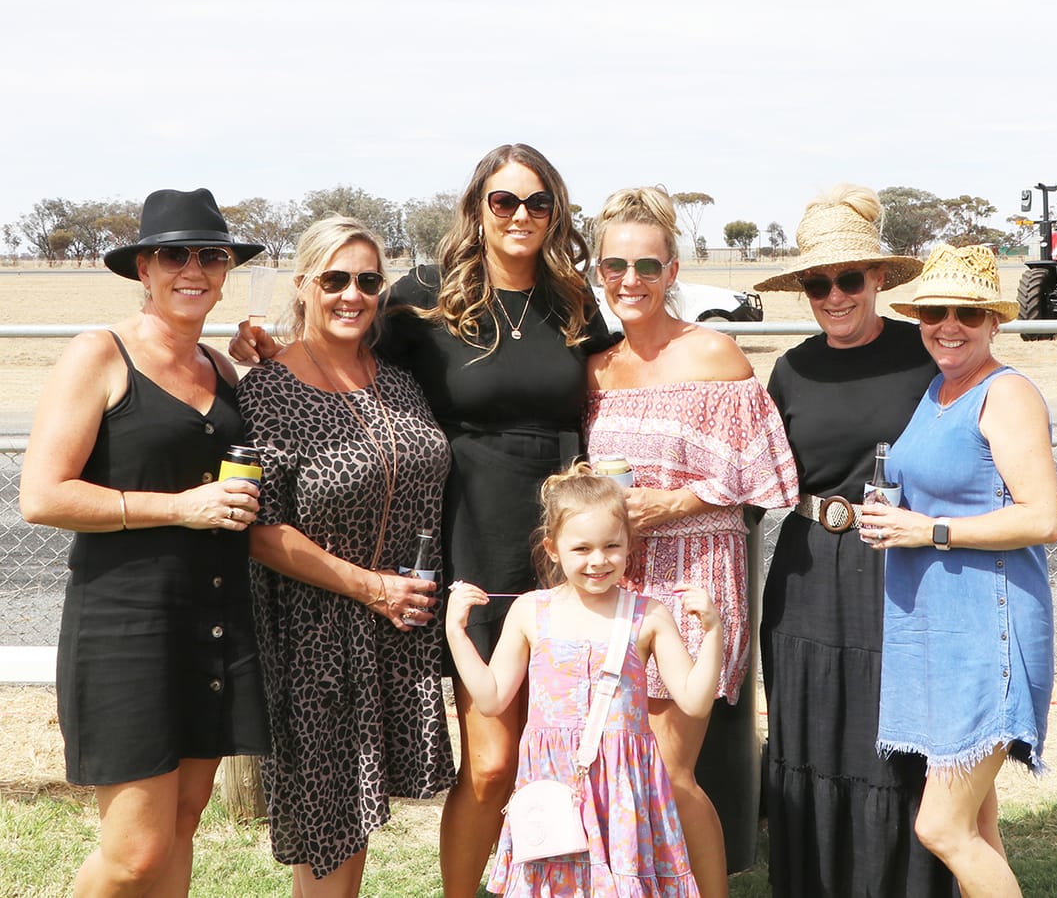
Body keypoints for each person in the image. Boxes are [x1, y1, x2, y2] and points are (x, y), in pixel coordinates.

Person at [235, 142, 611, 897]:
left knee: (563, 743)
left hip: (566, 547)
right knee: (493, 759)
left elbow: (610, 388)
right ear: (477, 208)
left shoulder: (573, 297)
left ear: (556, 212)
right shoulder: (425, 297)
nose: (521, 216)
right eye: (504, 201)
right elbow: (344, 354)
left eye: (538, 203)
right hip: (472, 536)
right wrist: (278, 352)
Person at [18, 187, 271, 897]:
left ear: (225, 272)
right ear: (143, 269)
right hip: (126, 621)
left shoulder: (222, 369)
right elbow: (42, 494)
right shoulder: (99, 353)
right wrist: (180, 507)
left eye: (211, 255)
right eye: (173, 254)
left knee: (183, 822)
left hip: (214, 620)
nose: (193, 268)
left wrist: (268, 361)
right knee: (134, 850)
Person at [583, 186, 799, 898]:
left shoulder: (714, 352)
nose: (630, 281)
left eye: (647, 265)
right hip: (615, 587)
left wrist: (670, 502)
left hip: (695, 579)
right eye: (615, 265)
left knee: (670, 771)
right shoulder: (596, 369)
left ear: (673, 269)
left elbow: (766, 476)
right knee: (620, 766)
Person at [238, 217, 457, 896]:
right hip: (316, 636)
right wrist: (372, 588)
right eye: (334, 278)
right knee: (331, 836)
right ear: (304, 284)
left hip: (394, 632)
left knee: (356, 826)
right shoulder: (266, 390)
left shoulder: (396, 379)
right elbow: (256, 527)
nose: (351, 294)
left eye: (367, 280)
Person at [748, 186, 954, 898]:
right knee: (809, 727)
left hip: (901, 569)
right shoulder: (792, 368)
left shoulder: (925, 354)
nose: (833, 295)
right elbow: (758, 478)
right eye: (816, 282)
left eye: (848, 279)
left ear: (877, 278)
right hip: (805, 571)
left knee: (890, 732)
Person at [861, 243, 1057, 898]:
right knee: (975, 820)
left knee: (941, 827)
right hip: (940, 635)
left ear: (994, 320)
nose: (948, 324)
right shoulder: (939, 389)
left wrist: (930, 530)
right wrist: (892, 516)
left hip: (989, 635)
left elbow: (1042, 518)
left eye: (967, 313)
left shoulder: (1006, 392)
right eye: (934, 311)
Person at [445, 465, 726, 898]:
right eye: (582, 549)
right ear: (552, 549)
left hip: (622, 789)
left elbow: (695, 701)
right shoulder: (529, 611)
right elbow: (491, 697)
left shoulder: (648, 614)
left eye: (612, 546)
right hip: (552, 785)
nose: (598, 560)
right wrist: (456, 633)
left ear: (629, 545)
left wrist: (712, 632)